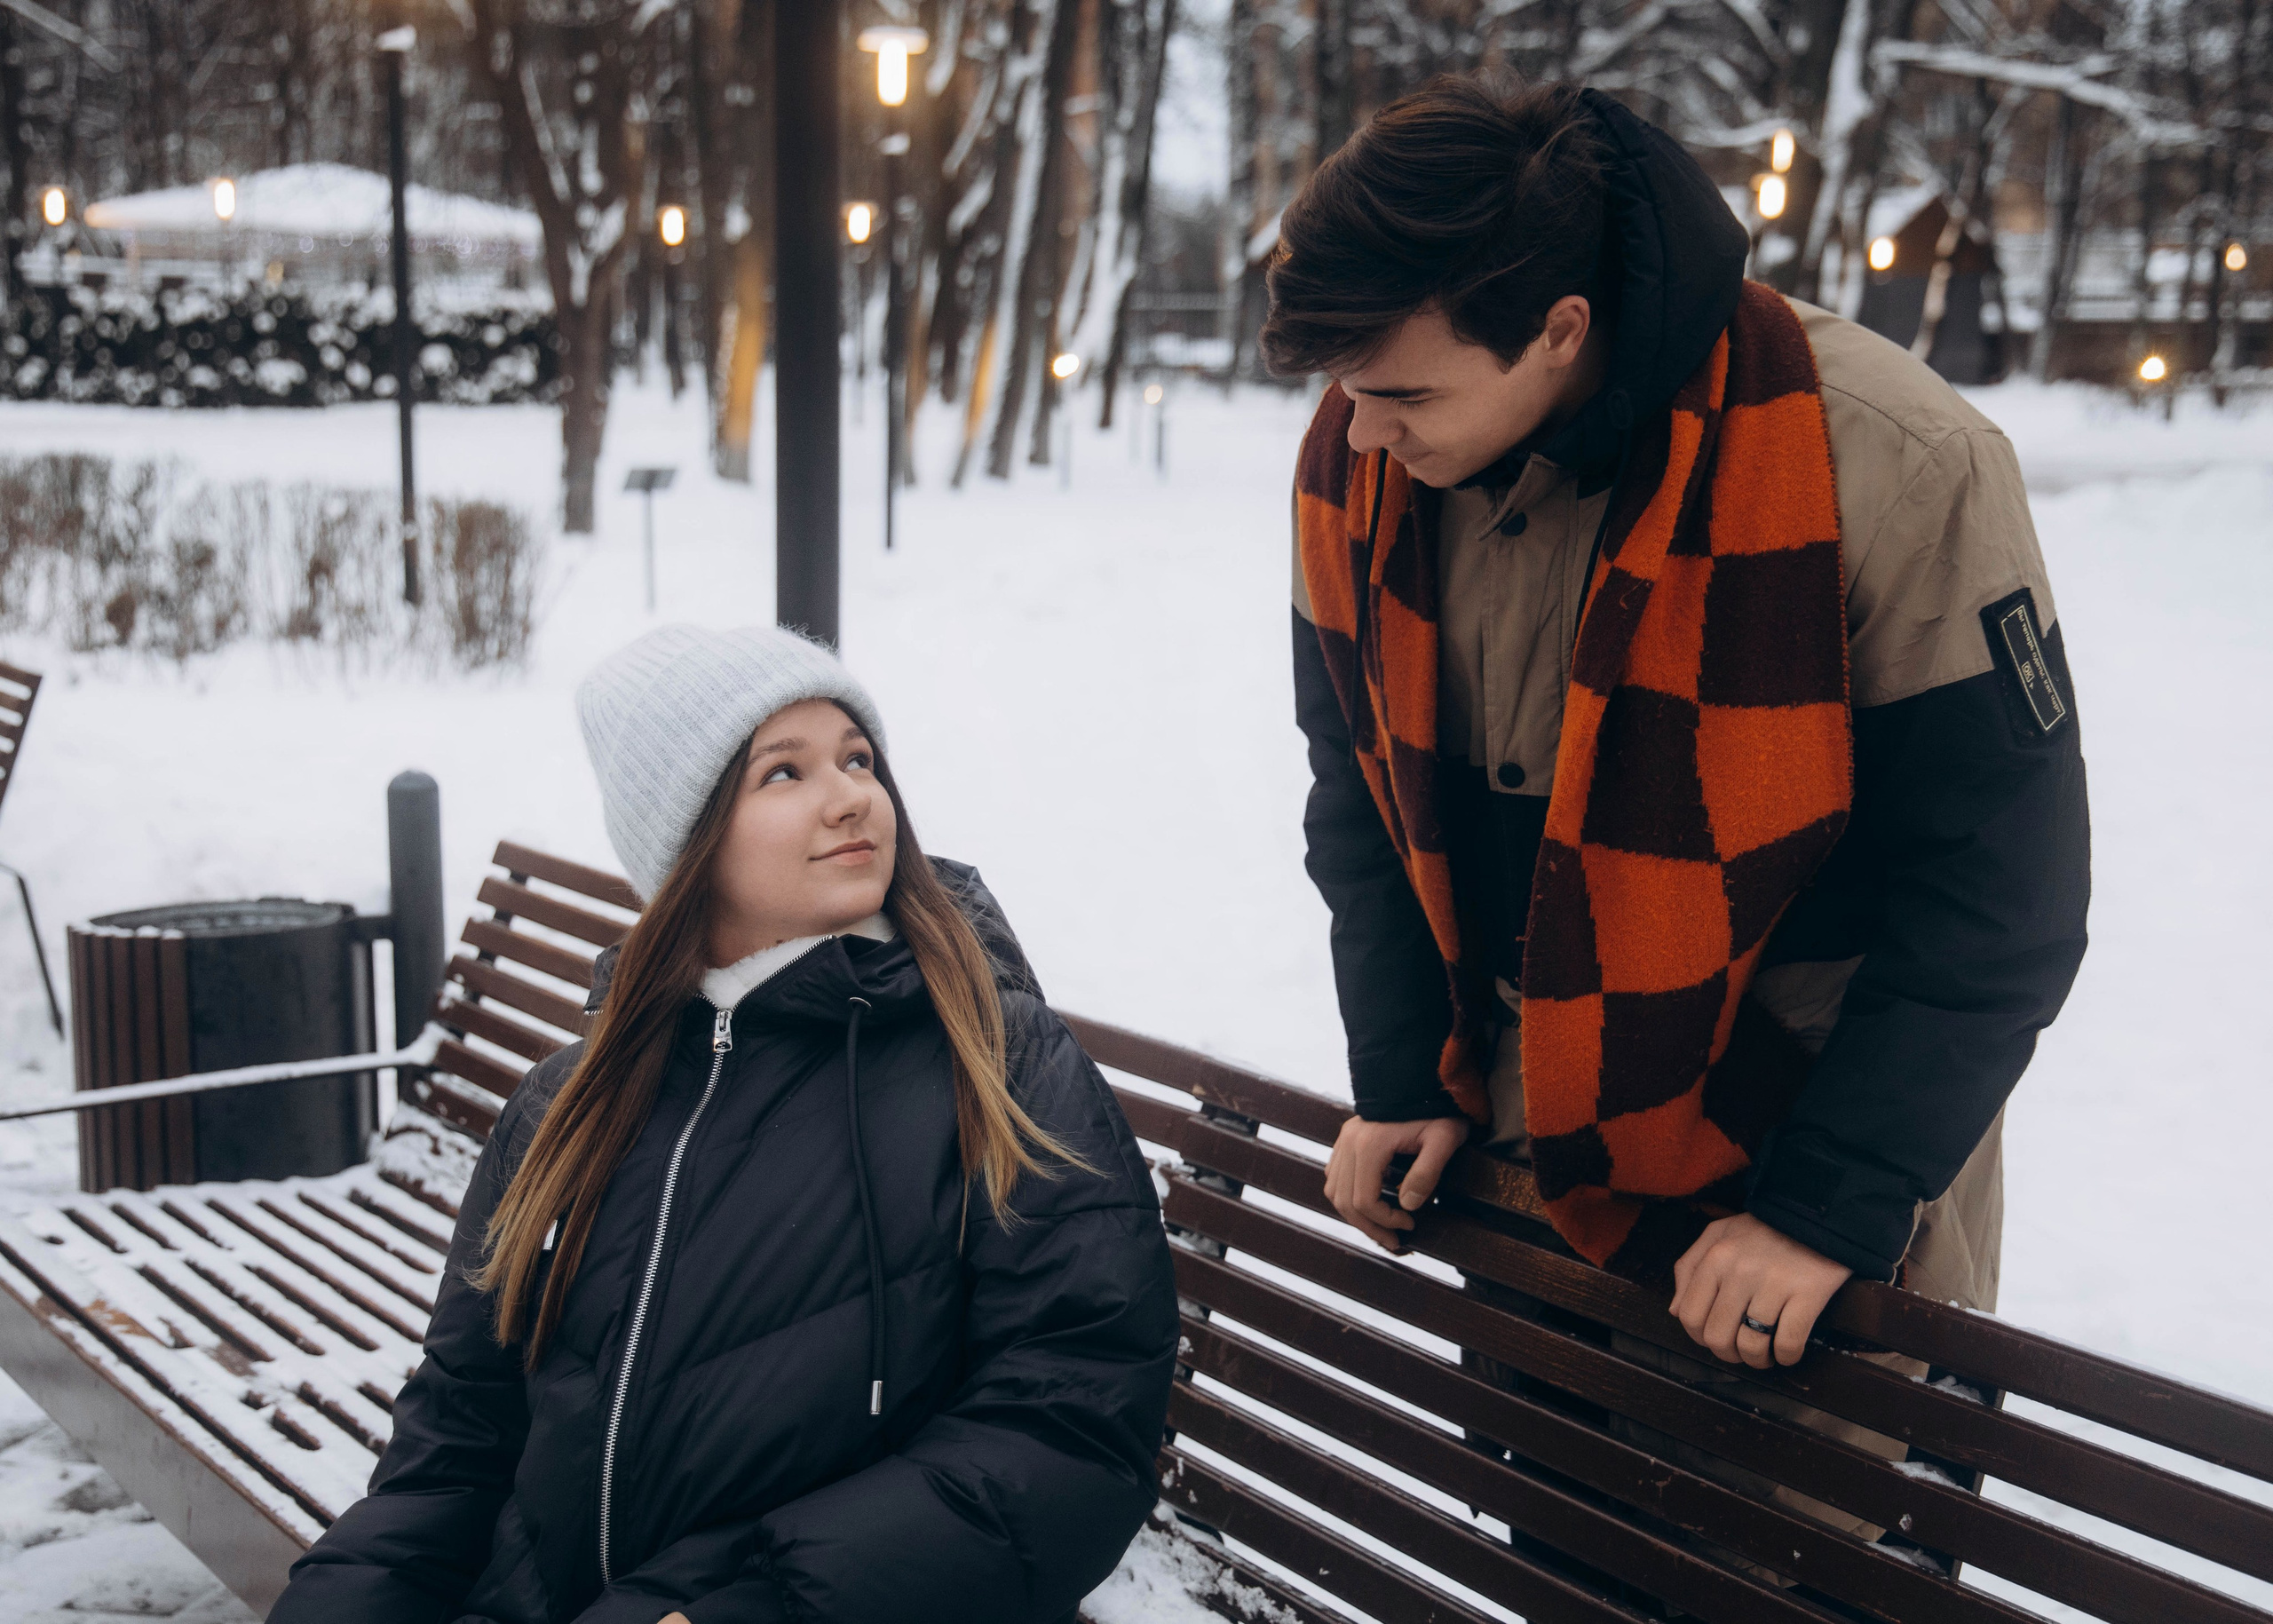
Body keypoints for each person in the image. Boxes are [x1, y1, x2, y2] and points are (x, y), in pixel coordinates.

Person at [1272, 76, 2087, 1401]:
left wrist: (1826, 1207)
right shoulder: (1365, 462)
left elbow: (2001, 895)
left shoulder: (1892, 460)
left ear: (1558, 329)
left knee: (1813, 1577)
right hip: (1526, 1163)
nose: (1359, 429)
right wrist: (1401, 1063)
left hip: (1802, 1183)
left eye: (1400, 394)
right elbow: (1355, 795)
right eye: (1348, 390)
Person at [271, 624, 1179, 1624]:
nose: (849, 796)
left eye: (857, 758)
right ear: (687, 842)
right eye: (782, 772)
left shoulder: (998, 1063)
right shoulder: (568, 1105)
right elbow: (456, 1435)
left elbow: (1067, 1425)